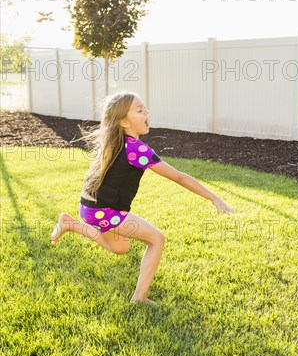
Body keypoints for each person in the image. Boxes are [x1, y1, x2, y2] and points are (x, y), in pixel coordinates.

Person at [51, 91, 235, 304]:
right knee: (156, 239)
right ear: (124, 122)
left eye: (144, 107)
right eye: (139, 110)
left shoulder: (115, 141)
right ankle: (139, 297)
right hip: (104, 211)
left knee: (121, 248)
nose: (146, 111)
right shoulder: (136, 149)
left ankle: (70, 223)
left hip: (89, 207)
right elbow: (179, 177)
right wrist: (213, 198)